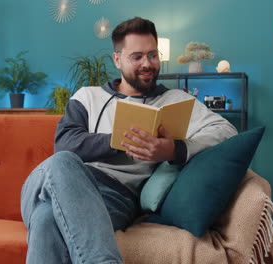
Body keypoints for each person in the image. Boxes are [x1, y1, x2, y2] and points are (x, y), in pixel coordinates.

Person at [20, 17, 237, 264]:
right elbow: (65, 143)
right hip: (54, 183)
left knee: (46, 219)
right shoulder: (87, 96)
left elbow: (226, 130)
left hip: (115, 198)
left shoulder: (176, 100)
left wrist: (174, 150)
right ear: (117, 59)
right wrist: (121, 139)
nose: (147, 64)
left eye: (153, 55)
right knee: (62, 161)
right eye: (137, 57)